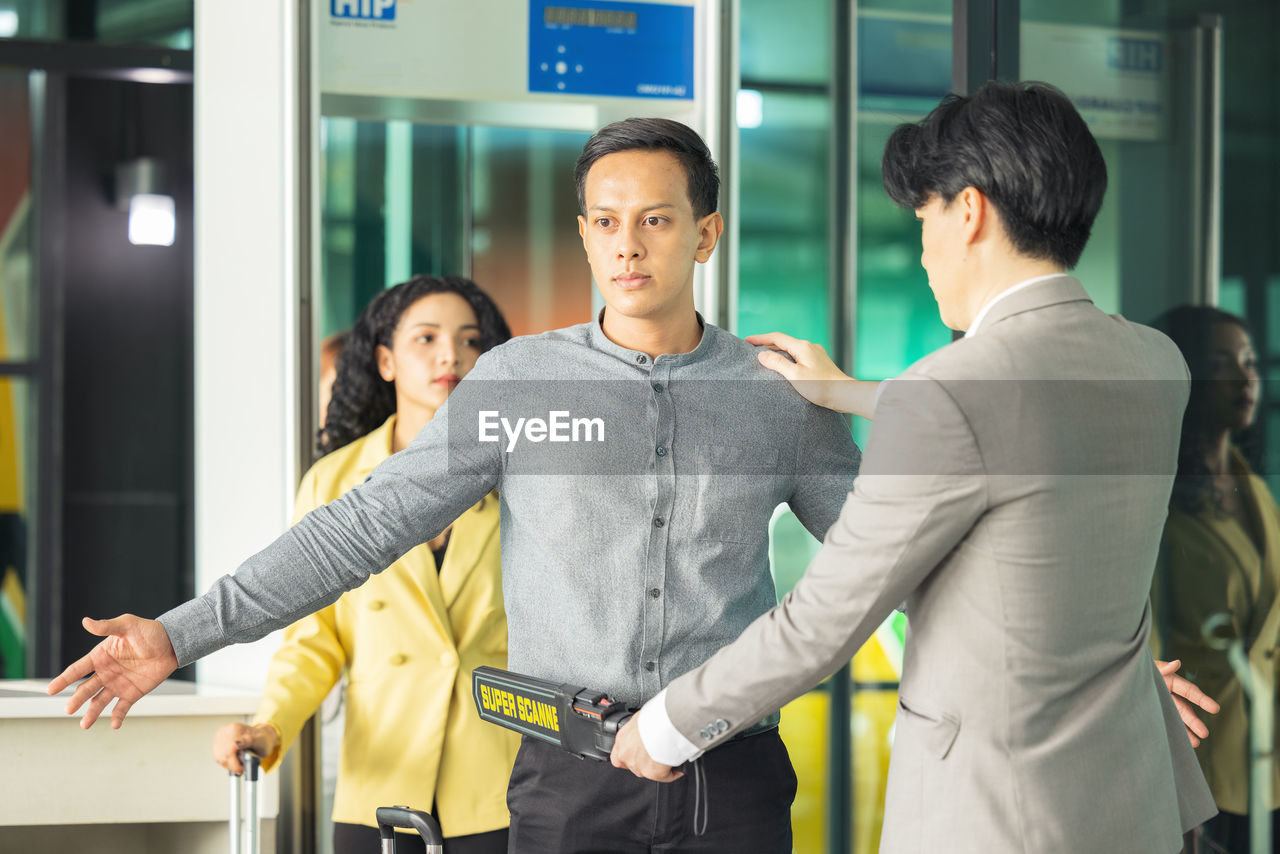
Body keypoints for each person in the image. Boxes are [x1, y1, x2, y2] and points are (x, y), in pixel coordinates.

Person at [48, 117, 862, 851]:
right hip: (568, 784)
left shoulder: (780, 398)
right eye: (607, 223)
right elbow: (359, 527)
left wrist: (866, 403)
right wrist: (181, 633)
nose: (628, 247)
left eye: (655, 220)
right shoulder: (518, 385)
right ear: (583, 236)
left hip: (734, 781)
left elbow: (886, 547)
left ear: (705, 233)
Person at [611, 81, 1220, 852]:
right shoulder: (1152, 364)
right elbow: (1031, 429)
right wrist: (854, 393)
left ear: (968, 212)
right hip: (1128, 797)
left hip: (995, 813)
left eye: (925, 219)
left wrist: (667, 726)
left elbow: (823, 622)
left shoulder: (951, 392)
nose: (923, 249)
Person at [213, 275, 517, 853]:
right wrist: (268, 726)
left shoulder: (525, 478)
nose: (451, 354)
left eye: (470, 341)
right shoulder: (333, 482)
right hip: (382, 780)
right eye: (426, 338)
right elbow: (313, 641)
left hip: (498, 781)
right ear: (385, 360)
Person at [1152, 305, 1280, 853]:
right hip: (1201, 755)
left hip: (1266, 748)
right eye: (1222, 363)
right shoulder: (1159, 499)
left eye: (1249, 361)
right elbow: (1147, 644)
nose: (1245, 377)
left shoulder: (1253, 485)